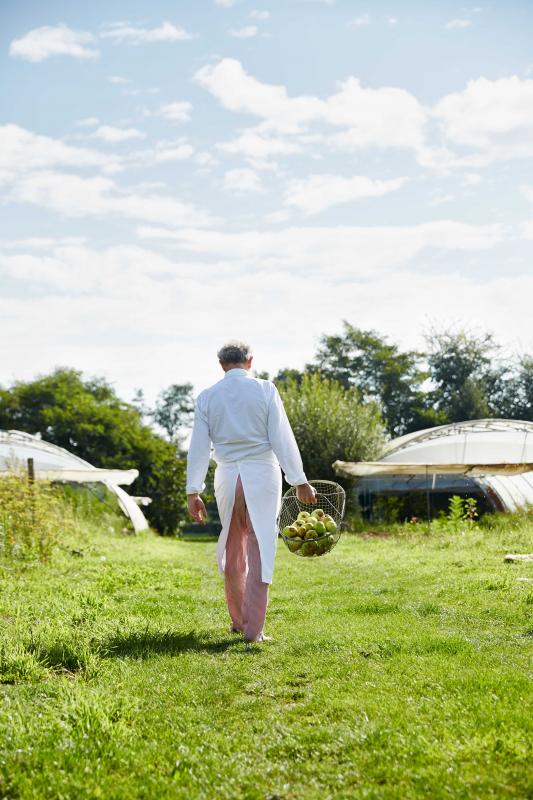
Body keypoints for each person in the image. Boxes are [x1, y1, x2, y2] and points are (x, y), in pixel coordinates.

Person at [186, 341, 316, 643]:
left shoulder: (207, 397)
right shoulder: (265, 390)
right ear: (250, 361)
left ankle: (239, 621)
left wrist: (194, 491)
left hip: (228, 476)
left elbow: (198, 447)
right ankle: (254, 630)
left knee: (234, 550)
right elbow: (282, 436)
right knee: (261, 547)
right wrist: (299, 479)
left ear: (221, 365)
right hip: (262, 474)